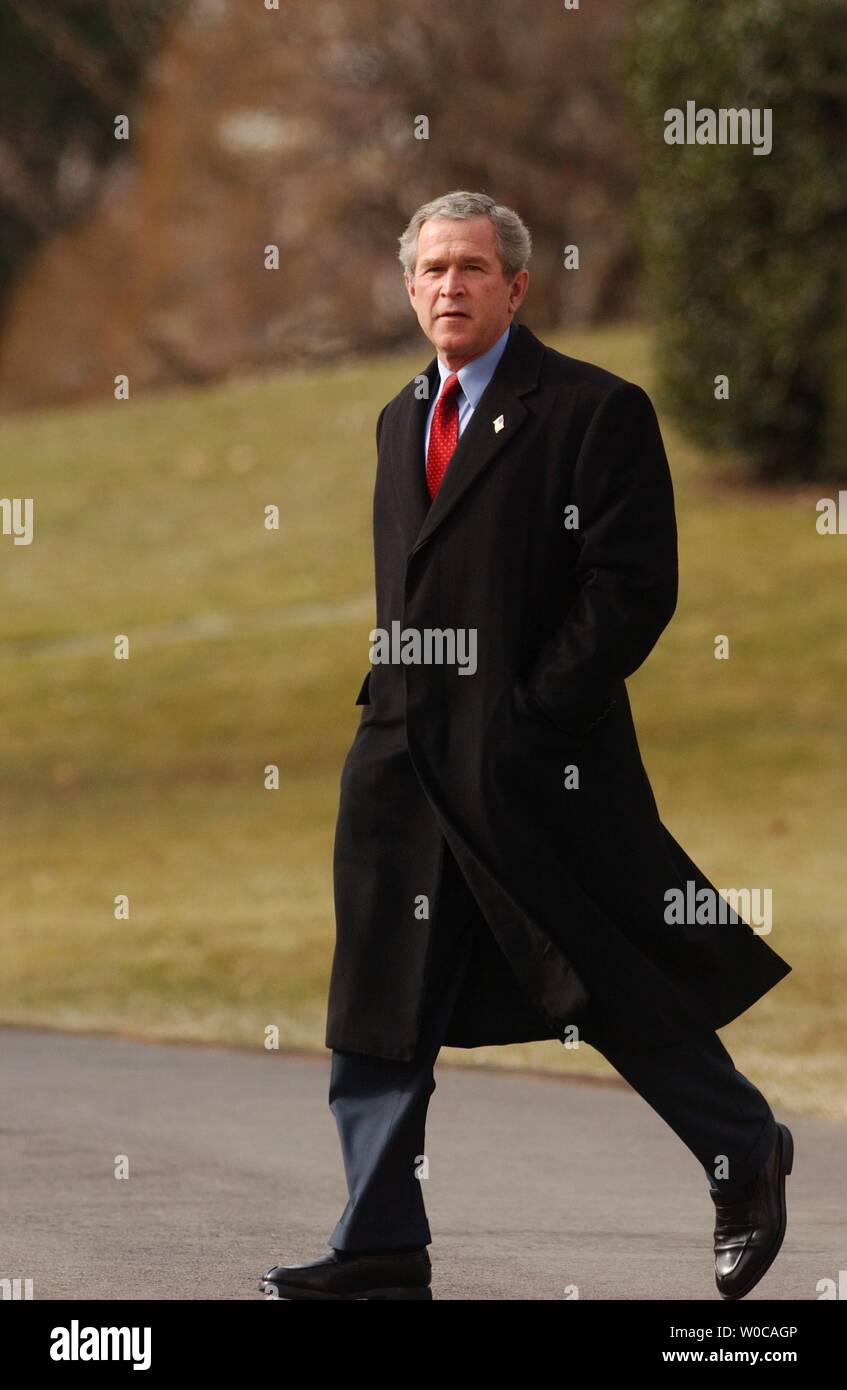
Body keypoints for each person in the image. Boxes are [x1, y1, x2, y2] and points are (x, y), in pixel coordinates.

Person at [260, 191, 793, 1301]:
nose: (448, 287)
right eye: (430, 270)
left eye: (470, 268)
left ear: (516, 287)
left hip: (534, 771)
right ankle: (378, 1245)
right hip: (402, 767)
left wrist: (533, 717)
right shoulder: (400, 417)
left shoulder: (597, 411)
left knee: (600, 980)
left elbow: (632, 588)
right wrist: (385, 714)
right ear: (409, 290)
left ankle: (743, 1147)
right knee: (377, 1004)